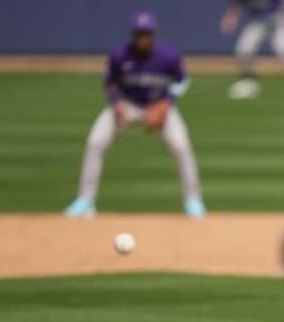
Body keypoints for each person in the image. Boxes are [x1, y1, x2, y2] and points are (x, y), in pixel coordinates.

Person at [65, 11, 206, 219]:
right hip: (127, 104)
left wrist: (166, 103)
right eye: (140, 34)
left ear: (153, 35)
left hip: (157, 104)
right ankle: (85, 200)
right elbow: (108, 81)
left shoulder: (168, 56)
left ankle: (193, 201)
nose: (144, 38)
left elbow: (182, 81)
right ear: (134, 35)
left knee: (181, 145)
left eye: (147, 34)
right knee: (95, 142)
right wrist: (116, 104)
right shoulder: (119, 55)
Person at [219, 0, 284, 101]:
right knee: (244, 49)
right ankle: (248, 82)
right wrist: (231, 17)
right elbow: (238, 3)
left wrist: (283, 13)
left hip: (279, 18)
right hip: (259, 20)